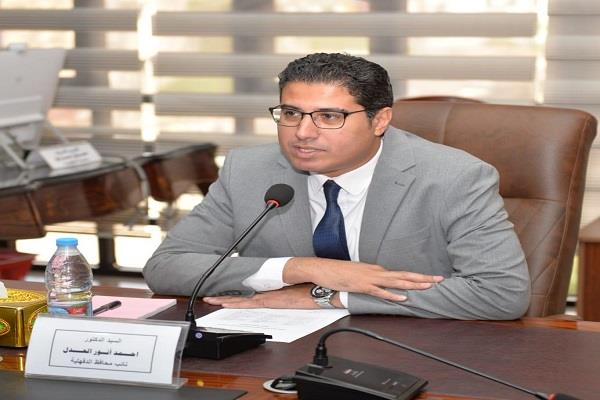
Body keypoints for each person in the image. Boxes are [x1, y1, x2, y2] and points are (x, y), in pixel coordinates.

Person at [143, 53, 530, 320]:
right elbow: (166, 267)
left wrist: (329, 296)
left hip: (413, 348)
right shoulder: (248, 170)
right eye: (291, 113)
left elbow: (501, 293)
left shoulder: (455, 177)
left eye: (329, 116)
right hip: (281, 348)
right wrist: (301, 269)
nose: (302, 133)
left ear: (380, 121)